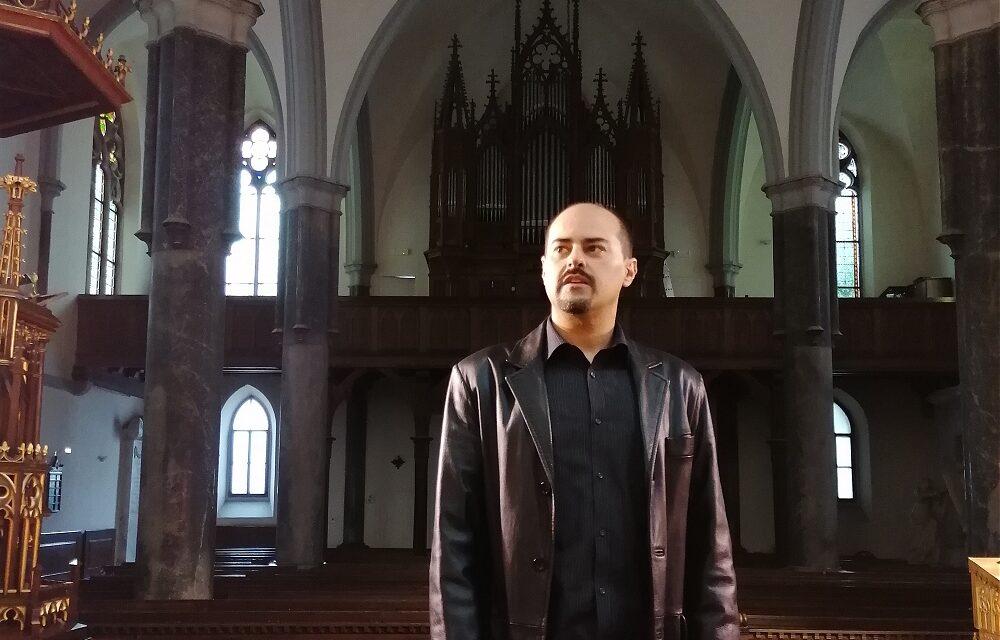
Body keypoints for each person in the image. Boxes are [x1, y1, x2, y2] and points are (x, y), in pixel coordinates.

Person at [430, 202, 739, 640]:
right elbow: (453, 547)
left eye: (594, 248)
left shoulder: (679, 386)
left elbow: (712, 545)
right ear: (543, 269)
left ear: (630, 270)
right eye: (561, 249)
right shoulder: (479, 382)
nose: (575, 259)